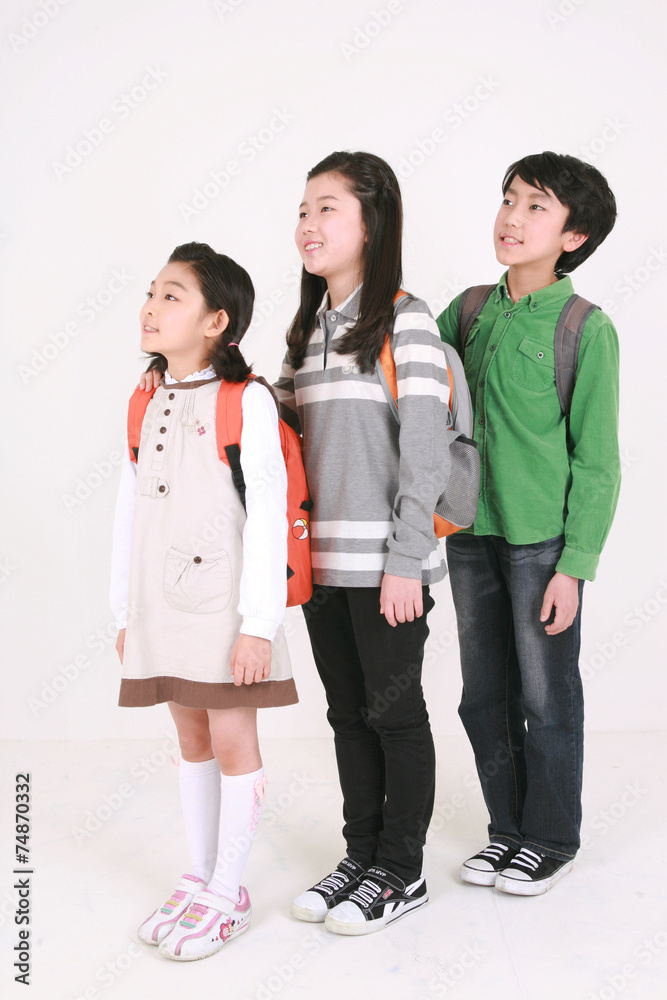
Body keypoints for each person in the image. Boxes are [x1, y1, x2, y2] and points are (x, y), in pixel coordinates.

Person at [274, 151, 450, 934]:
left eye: (327, 209)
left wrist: (407, 562)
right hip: (322, 568)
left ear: (371, 224)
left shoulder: (406, 319)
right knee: (347, 716)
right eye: (303, 210)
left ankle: (400, 871)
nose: (308, 225)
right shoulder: (307, 330)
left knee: (395, 718)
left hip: (387, 569)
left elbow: (426, 453)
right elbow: (272, 429)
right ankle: (360, 855)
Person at [437, 151, 620, 895]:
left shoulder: (584, 328)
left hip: (541, 546)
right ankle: (505, 831)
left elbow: (598, 461)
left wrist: (574, 566)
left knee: (546, 698)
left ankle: (549, 838)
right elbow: (411, 376)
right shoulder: (469, 310)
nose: (512, 217)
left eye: (535, 206)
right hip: (468, 534)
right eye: (509, 198)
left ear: (573, 237)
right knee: (483, 695)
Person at [110, 242, 297, 961]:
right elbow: (128, 512)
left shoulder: (245, 400)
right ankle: (199, 873)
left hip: (225, 608)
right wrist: (124, 612)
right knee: (190, 738)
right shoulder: (145, 397)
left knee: (231, 741)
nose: (151, 307)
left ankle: (227, 892)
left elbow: (269, 513)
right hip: (159, 605)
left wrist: (259, 625)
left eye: (172, 296)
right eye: (151, 292)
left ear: (217, 321)